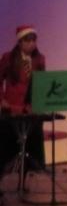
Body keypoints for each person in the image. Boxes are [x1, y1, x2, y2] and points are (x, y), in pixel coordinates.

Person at [0, 25, 47, 174]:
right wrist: (1, 99)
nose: (32, 44)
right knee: (8, 140)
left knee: (33, 137)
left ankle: (32, 168)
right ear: (20, 42)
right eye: (28, 40)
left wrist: (38, 103)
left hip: (30, 108)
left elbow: (41, 84)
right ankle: (6, 169)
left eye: (34, 40)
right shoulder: (8, 57)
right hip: (12, 107)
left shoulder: (39, 59)